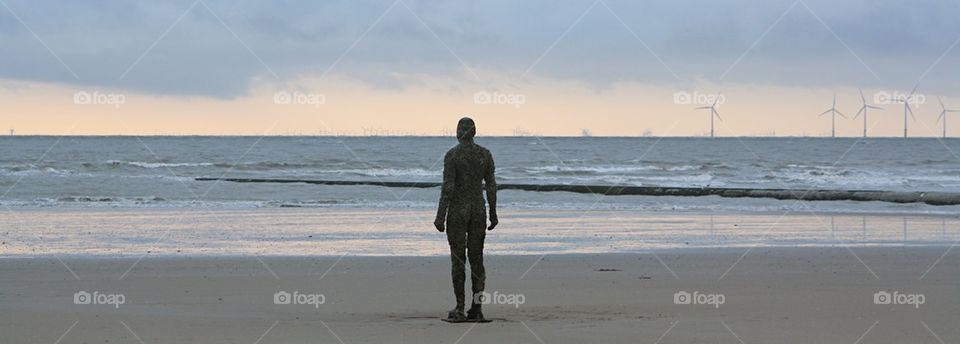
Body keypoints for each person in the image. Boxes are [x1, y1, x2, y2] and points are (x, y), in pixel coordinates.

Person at [434, 117, 498, 321]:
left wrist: (440, 216)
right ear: (474, 132)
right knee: (477, 259)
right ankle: (476, 308)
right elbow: (491, 186)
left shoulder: (452, 155)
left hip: (458, 212)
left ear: (459, 132)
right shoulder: (484, 155)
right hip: (478, 210)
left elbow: (448, 188)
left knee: (458, 259)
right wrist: (494, 212)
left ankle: (460, 308)